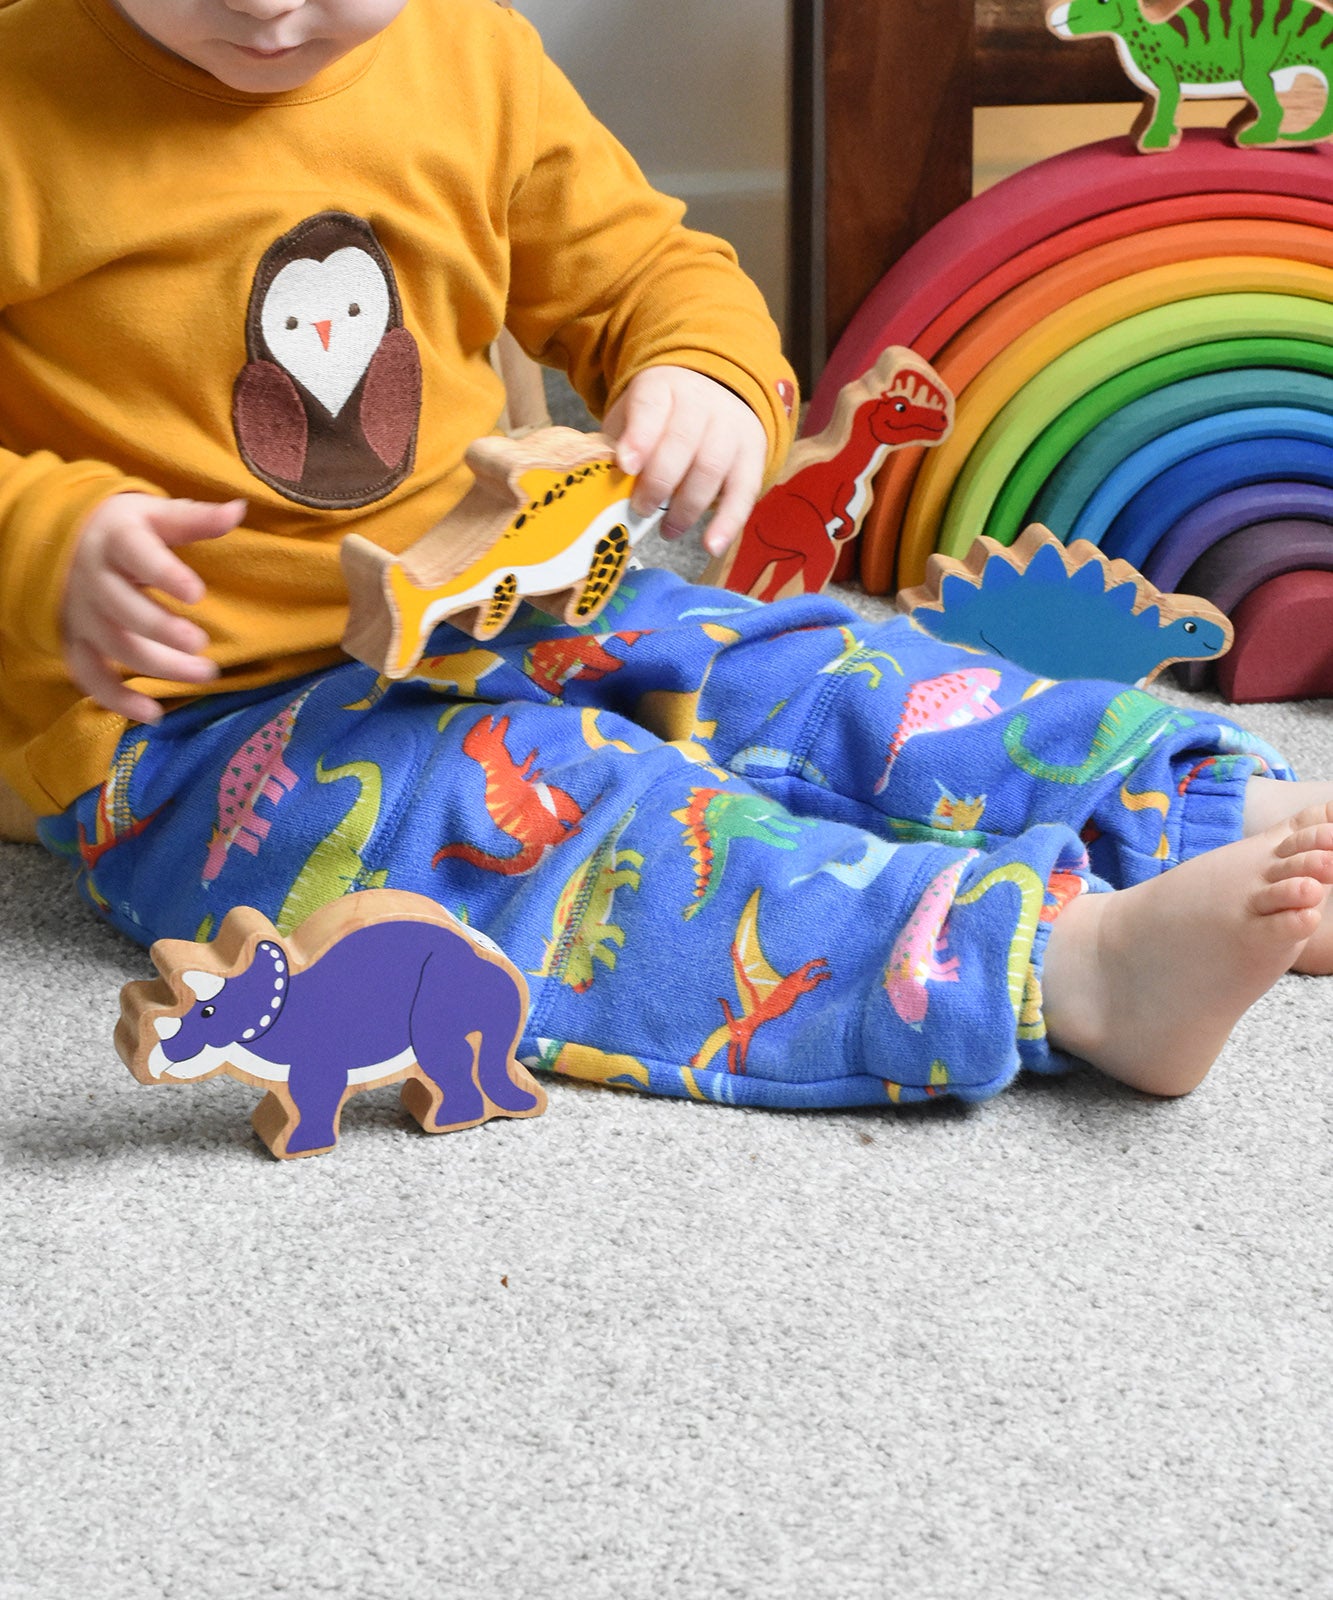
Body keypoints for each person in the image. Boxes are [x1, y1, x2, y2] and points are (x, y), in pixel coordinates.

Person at [4, 0, 1333, 1119]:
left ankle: (1184, 811)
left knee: (807, 667)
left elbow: (650, 269)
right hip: (197, 731)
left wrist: (696, 369)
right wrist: (44, 545)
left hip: (508, 595)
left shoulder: (467, 56)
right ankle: (1071, 967)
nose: (268, 5)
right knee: (581, 831)